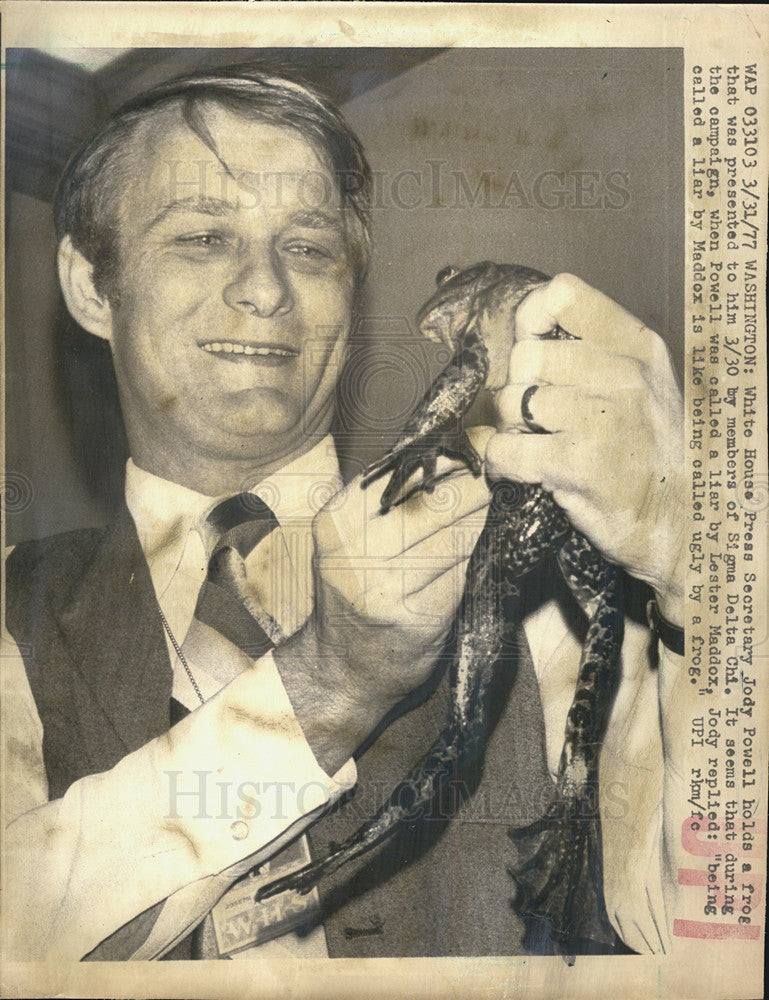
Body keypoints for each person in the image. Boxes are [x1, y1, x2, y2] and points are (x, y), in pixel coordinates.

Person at [2, 64, 689, 962]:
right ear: (93, 285)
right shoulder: (16, 612)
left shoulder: (542, 556)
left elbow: (707, 927)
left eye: (310, 247)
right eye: (204, 237)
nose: (265, 289)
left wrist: (705, 573)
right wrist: (326, 687)